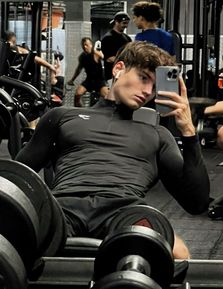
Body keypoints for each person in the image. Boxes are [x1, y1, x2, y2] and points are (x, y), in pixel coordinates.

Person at [15, 41, 210, 259]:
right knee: (16, 235)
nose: (147, 92)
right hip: (63, 210)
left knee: (177, 252)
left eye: (155, 87)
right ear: (118, 69)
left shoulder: (158, 135)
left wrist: (188, 131)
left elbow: (197, 202)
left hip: (124, 213)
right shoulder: (61, 116)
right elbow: (17, 177)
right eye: (143, 78)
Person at [67, 37, 109, 107]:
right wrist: (72, 80)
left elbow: (103, 57)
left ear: (91, 45)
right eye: (83, 45)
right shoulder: (82, 57)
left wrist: (97, 52)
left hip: (99, 81)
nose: (85, 47)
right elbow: (78, 70)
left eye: (86, 45)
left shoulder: (96, 53)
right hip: (89, 80)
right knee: (77, 94)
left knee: (107, 97)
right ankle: (79, 111)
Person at [101, 11, 132, 82]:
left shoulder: (127, 38)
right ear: (116, 22)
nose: (126, 26)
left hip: (125, 75)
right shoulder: (108, 38)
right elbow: (109, 58)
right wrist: (126, 62)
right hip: (112, 75)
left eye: (127, 23)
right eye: (124, 23)